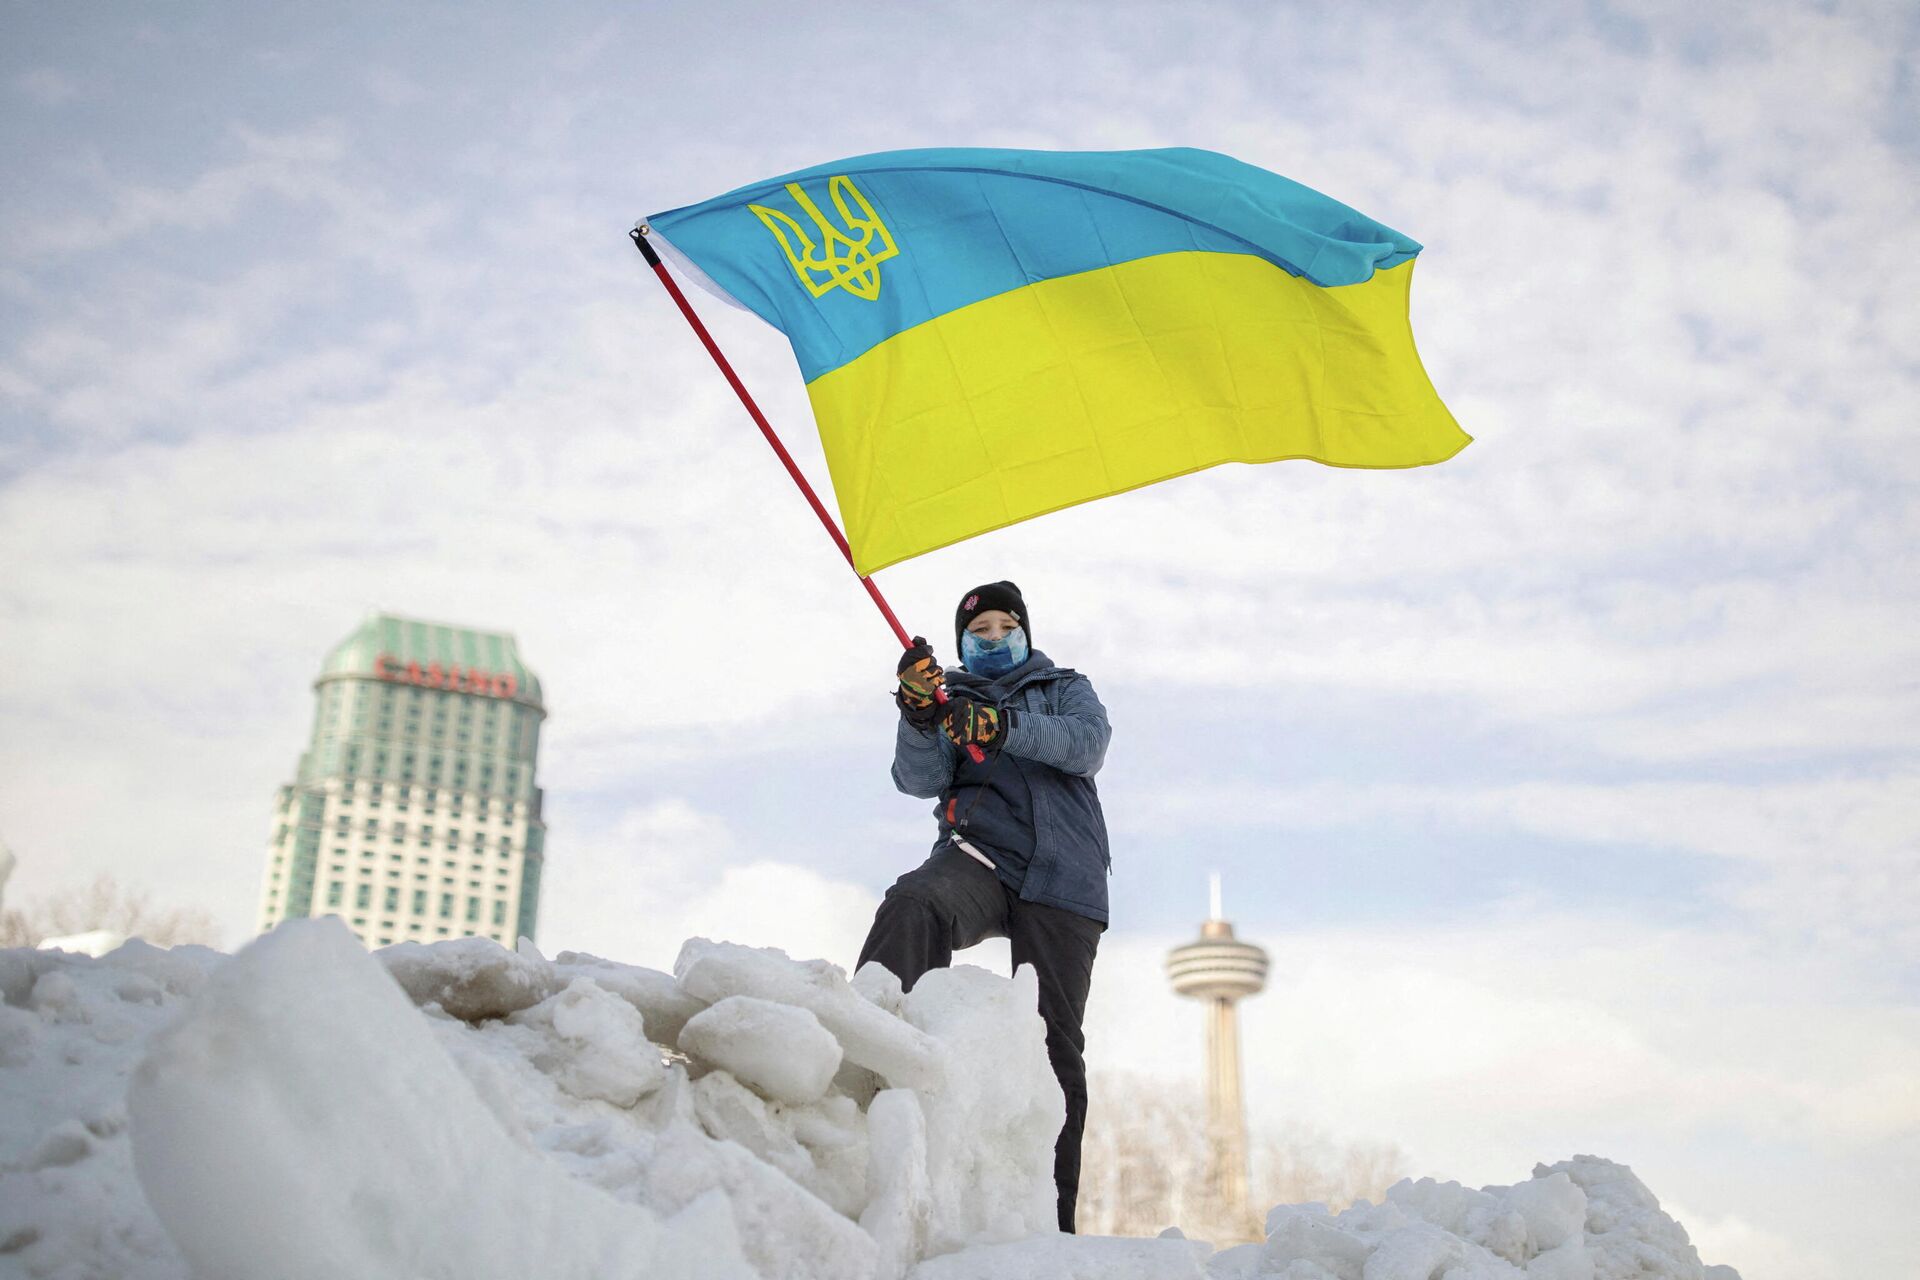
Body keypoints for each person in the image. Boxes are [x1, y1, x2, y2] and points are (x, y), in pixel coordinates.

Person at [856, 580, 1112, 1233]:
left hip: (1063, 875)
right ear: (963, 644)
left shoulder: (1064, 687)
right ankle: (869, 1072)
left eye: (1006, 626)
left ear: (1025, 630)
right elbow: (917, 779)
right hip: (977, 857)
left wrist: (1004, 726)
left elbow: (1087, 744)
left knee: (1055, 1039)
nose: (994, 637)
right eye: (980, 632)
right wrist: (919, 716)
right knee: (914, 903)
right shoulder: (950, 700)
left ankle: (1051, 1222)